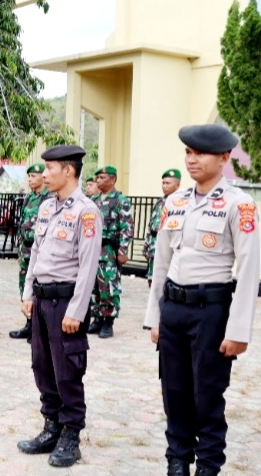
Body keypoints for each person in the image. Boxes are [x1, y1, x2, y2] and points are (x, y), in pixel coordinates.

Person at [145, 125, 259, 476]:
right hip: (174, 307)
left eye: (201, 154)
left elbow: (250, 266)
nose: (192, 160)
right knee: (174, 390)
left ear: (224, 158)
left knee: (207, 394)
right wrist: (154, 317)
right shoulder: (174, 202)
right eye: (188, 153)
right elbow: (161, 263)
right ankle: (177, 459)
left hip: (212, 310)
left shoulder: (240, 204)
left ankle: (208, 465)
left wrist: (238, 329)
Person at [17, 145, 102, 468]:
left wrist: (76, 312)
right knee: (42, 365)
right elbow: (35, 253)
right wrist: (28, 292)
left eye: (49, 169)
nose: (43, 174)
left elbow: (88, 266)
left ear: (68, 170)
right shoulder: (46, 207)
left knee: (67, 369)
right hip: (41, 298)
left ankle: (71, 434)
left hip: (66, 301)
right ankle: (50, 426)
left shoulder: (87, 211)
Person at [89, 165, 134, 339]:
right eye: (97, 178)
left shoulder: (120, 200)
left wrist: (123, 250)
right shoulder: (94, 200)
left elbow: (127, 227)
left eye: (102, 177)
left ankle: (108, 321)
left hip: (110, 251)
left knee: (108, 286)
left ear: (113, 179)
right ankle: (97, 318)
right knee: (94, 286)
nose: (98, 181)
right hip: (94, 250)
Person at [10, 163, 51, 340]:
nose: (30, 180)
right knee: (25, 287)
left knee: (39, 288)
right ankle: (29, 323)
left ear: (43, 177)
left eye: (33, 176)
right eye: (29, 177)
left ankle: (40, 328)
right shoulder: (29, 198)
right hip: (26, 250)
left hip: (41, 251)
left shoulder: (49, 198)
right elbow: (22, 225)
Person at [143, 169, 182, 284]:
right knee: (153, 282)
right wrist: (146, 247)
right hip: (154, 249)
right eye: (163, 183)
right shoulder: (159, 202)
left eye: (168, 183)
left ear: (177, 185)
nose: (164, 186)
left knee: (167, 284)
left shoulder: (180, 203)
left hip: (168, 250)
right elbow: (151, 227)